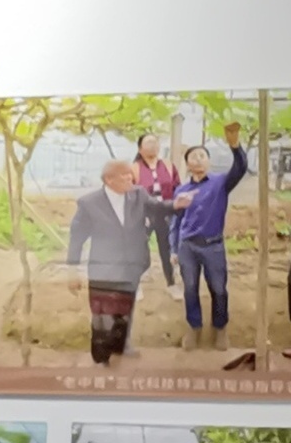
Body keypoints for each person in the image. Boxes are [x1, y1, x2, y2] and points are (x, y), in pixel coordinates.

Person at [65, 158, 176, 366]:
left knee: (125, 309)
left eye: (129, 173)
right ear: (109, 179)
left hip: (131, 266)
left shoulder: (139, 195)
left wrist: (176, 204)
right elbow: (77, 238)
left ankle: (121, 345)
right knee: (103, 315)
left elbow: (159, 207)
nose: (130, 177)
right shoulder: (89, 203)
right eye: (124, 174)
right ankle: (102, 357)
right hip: (104, 269)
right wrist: (72, 271)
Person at [171, 127, 250, 348]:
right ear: (187, 164)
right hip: (187, 247)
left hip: (213, 246)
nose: (198, 159)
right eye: (193, 156)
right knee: (190, 288)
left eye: (202, 155)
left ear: (209, 161)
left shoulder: (220, 183)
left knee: (219, 289)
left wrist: (235, 146)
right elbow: (175, 222)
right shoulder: (181, 190)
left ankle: (220, 328)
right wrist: (173, 249)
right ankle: (194, 327)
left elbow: (241, 168)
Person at [134, 131, 180, 290]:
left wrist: (176, 209)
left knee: (166, 250)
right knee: (139, 250)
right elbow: (130, 194)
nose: (152, 145)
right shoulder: (134, 168)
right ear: (140, 149)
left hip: (165, 214)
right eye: (148, 142)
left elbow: (177, 188)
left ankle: (171, 284)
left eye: (155, 142)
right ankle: (134, 285)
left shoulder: (168, 165)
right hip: (143, 215)